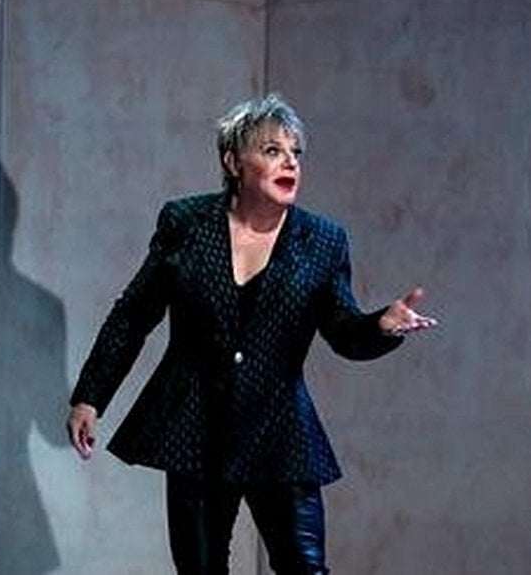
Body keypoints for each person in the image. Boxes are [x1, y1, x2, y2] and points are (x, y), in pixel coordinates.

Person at [66, 94, 437, 574]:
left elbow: (343, 331)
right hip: (195, 428)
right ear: (232, 162)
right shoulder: (186, 223)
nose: (290, 162)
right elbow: (134, 315)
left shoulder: (323, 240)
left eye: (295, 152)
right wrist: (90, 397)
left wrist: (380, 326)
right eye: (272, 150)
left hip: (280, 432)